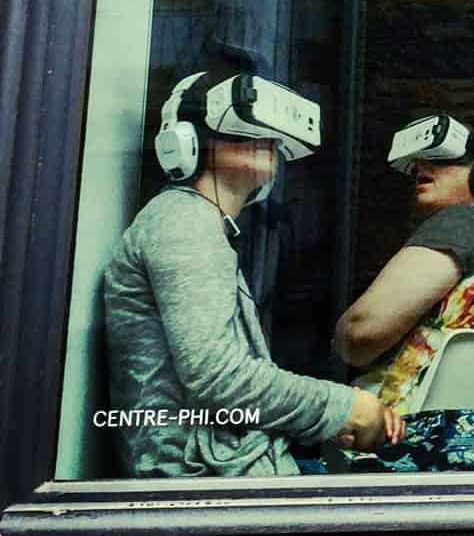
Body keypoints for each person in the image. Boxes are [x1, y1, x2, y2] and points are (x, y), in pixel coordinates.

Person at [104, 69, 401, 477]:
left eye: (270, 135)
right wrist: (342, 408)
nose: (262, 138)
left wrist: (320, 418)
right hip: (200, 487)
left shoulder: (200, 223)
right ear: (186, 143)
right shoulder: (182, 221)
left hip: (230, 473)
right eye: (239, 131)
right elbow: (218, 379)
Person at [334, 113, 474, 466]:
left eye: (445, 156)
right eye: (419, 157)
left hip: (397, 448)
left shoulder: (462, 222)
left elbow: (359, 334)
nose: (421, 165)